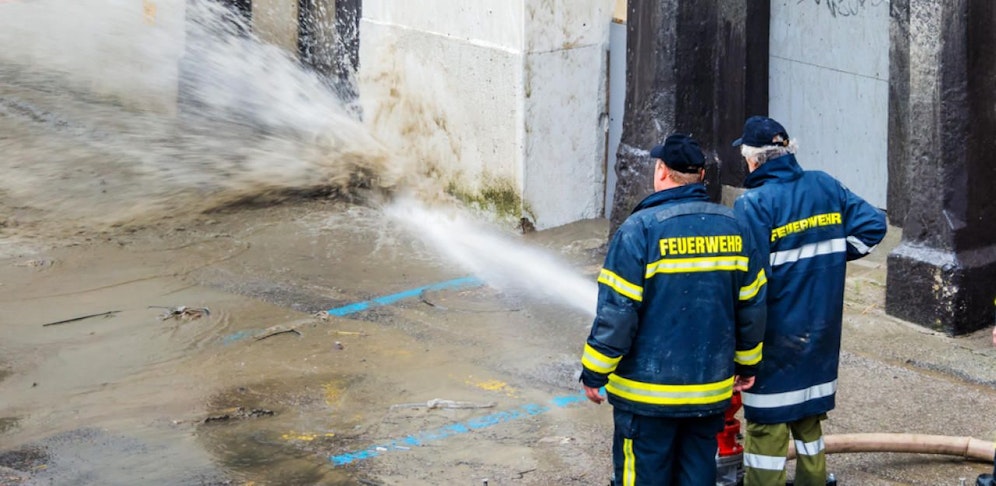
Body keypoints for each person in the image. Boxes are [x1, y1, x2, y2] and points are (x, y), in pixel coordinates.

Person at [581, 133, 768, 486]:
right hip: (708, 395)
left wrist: (595, 371)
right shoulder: (736, 228)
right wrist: (747, 365)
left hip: (645, 399)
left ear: (662, 171)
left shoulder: (639, 230)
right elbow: (752, 307)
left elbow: (618, 313)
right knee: (697, 476)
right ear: (701, 176)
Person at [731, 116, 888, 486]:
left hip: (775, 338)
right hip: (820, 334)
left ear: (752, 159)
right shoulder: (823, 184)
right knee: (808, 421)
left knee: (767, 428)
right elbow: (873, 225)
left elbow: (749, 284)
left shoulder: (753, 204)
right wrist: (832, 256)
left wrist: (739, 347)